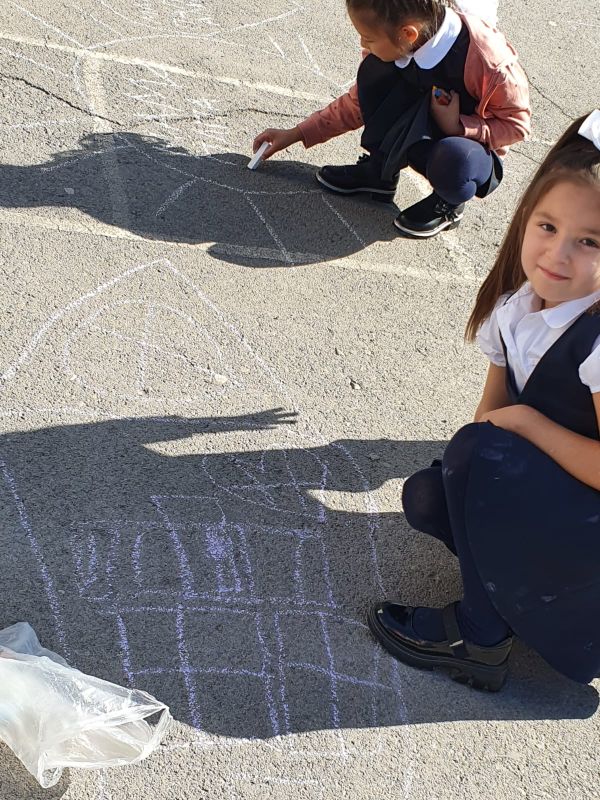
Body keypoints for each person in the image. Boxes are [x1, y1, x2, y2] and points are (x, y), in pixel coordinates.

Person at [367, 110, 600, 690]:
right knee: (430, 494)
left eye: (590, 241)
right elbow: (485, 423)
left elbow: (503, 430)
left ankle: (481, 638)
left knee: (478, 454)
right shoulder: (516, 307)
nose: (558, 255)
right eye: (547, 226)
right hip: (558, 508)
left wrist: (527, 425)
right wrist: (507, 432)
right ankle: (522, 601)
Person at [252, 0, 530, 239]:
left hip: (466, 151)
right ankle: (380, 172)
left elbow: (517, 126)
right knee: (374, 73)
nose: (363, 43)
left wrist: (459, 126)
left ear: (407, 33)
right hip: (420, 128)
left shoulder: (487, 60)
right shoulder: (397, 41)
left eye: (368, 38)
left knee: (456, 158)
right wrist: (297, 133)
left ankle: (448, 201)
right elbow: (357, 104)